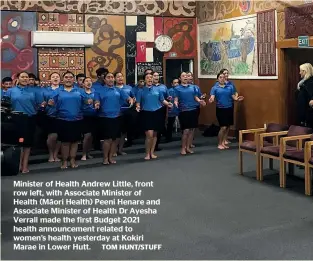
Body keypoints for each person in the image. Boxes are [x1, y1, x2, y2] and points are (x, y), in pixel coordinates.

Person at [4, 71, 45, 173]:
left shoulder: (34, 91)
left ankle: (25, 166)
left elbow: (40, 104)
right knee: (17, 144)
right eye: (22, 77)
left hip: (30, 118)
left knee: (27, 144)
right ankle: (16, 165)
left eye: (26, 77)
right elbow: (5, 105)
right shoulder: (11, 91)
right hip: (15, 119)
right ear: (17, 79)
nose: (25, 79)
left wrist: (44, 104)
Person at [94, 72, 133, 165]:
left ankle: (111, 157)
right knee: (107, 139)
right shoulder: (99, 90)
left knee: (115, 139)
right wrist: (97, 104)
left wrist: (130, 100)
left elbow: (128, 98)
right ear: (105, 80)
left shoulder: (118, 90)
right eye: (108, 77)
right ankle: (105, 158)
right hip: (105, 117)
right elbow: (96, 100)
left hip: (117, 116)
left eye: (112, 77)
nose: (111, 79)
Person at [50, 71, 84, 169]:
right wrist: (49, 104)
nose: (68, 79)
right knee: (65, 142)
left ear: (74, 79)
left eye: (70, 77)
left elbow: (85, 103)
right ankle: (64, 161)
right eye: (66, 77)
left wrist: (90, 102)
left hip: (77, 120)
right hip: (62, 120)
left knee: (74, 142)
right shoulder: (57, 92)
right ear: (63, 79)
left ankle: (72, 160)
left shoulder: (79, 91)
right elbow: (52, 105)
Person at [136, 73, 173, 160]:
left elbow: (162, 100)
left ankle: (152, 152)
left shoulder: (158, 89)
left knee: (155, 134)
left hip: (157, 112)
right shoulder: (140, 91)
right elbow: (138, 102)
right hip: (146, 113)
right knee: (149, 134)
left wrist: (168, 104)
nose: (149, 79)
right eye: (147, 77)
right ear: (144, 80)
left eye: (151, 77)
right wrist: (137, 107)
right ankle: (147, 153)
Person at [209, 72, 244, 150]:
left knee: (228, 126)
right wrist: (211, 99)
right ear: (217, 79)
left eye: (223, 77)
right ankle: (219, 143)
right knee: (223, 127)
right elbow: (212, 97)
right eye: (220, 77)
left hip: (229, 108)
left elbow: (233, 97)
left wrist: (237, 99)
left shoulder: (229, 87)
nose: (222, 79)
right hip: (220, 109)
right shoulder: (215, 88)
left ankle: (223, 142)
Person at [174, 72, 206, 155]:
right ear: (180, 78)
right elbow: (176, 98)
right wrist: (175, 102)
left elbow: (195, 97)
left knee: (192, 130)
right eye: (183, 76)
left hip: (193, 110)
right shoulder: (177, 88)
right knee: (186, 130)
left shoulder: (192, 87)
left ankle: (188, 147)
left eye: (186, 76)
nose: (185, 77)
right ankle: (183, 148)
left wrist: (200, 101)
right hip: (184, 111)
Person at [114, 72, 135, 155]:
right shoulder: (113, 88)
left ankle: (120, 149)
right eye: (118, 77)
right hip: (116, 112)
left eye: (121, 76)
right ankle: (114, 150)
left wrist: (133, 101)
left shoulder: (129, 88)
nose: (120, 78)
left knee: (123, 132)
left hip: (127, 112)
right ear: (115, 78)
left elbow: (133, 97)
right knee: (116, 132)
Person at [43, 72, 62, 162]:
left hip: (62, 116)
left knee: (59, 137)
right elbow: (41, 105)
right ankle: (51, 154)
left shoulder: (63, 89)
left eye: (57, 77)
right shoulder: (45, 91)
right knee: (51, 137)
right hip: (49, 115)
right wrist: (47, 105)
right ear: (50, 80)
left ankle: (56, 154)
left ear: (60, 79)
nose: (55, 78)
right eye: (53, 77)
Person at [80, 77, 97, 160]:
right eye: (86, 81)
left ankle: (88, 153)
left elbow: (98, 100)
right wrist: (85, 102)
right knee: (87, 135)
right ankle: (83, 154)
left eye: (90, 81)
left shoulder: (95, 92)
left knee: (91, 136)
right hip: (84, 116)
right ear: (83, 84)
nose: (89, 82)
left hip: (94, 115)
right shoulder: (80, 92)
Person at [220, 68, 238, 144]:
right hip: (222, 106)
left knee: (228, 124)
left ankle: (225, 138)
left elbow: (235, 92)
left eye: (227, 73)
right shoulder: (218, 84)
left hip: (230, 104)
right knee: (223, 125)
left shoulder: (231, 84)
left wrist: (236, 97)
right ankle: (221, 140)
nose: (226, 75)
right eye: (224, 73)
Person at [152, 71, 169, 151]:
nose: (156, 77)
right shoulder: (148, 87)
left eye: (157, 75)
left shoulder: (163, 87)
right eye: (154, 75)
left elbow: (167, 96)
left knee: (159, 128)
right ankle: (150, 146)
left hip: (161, 109)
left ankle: (156, 145)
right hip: (151, 109)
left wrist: (169, 99)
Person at [296, 63, 313, 127]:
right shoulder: (302, 84)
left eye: (300, 71)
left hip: (308, 118)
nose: (299, 73)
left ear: (305, 71)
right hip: (303, 116)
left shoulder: (310, 83)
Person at [166, 78, 180, 142]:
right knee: (170, 124)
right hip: (172, 109)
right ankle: (168, 137)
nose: (176, 84)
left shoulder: (181, 90)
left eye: (177, 82)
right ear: (172, 84)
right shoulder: (169, 91)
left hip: (180, 109)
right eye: (175, 83)